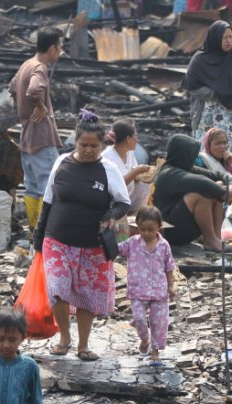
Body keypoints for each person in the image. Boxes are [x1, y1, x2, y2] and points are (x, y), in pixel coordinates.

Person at [33, 109, 131, 361]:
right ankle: (64, 337)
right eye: (84, 145)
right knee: (57, 288)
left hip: (93, 244)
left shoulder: (108, 169)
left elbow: (124, 203)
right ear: (75, 142)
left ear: (102, 145)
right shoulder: (62, 163)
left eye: (94, 146)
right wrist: (38, 236)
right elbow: (48, 200)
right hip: (57, 239)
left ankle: (83, 345)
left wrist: (111, 213)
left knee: (87, 295)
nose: (89, 150)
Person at [183, 21, 232, 175]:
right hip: (210, 117)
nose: (229, 41)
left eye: (231, 37)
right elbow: (192, 86)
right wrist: (217, 93)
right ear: (215, 38)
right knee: (209, 156)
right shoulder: (200, 60)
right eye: (225, 37)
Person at [9, 27, 63, 231]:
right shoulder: (40, 68)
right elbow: (33, 90)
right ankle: (46, 231)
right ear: (51, 49)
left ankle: (34, 231)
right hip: (42, 136)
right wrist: (39, 107)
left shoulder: (26, 64)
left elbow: (13, 87)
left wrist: (23, 108)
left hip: (26, 136)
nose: (60, 52)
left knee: (31, 186)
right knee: (49, 185)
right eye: (59, 48)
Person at [153, 134, 232, 251]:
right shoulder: (169, 173)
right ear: (183, 154)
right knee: (202, 194)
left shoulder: (186, 167)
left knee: (216, 187)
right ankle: (210, 240)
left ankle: (216, 238)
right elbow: (203, 183)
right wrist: (226, 192)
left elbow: (220, 175)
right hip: (169, 231)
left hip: (183, 226)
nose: (194, 159)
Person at [117, 206, 175, 365]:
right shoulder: (132, 243)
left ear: (159, 228)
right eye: (142, 229)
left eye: (151, 230)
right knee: (139, 318)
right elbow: (115, 250)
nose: (146, 233)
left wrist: (171, 286)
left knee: (159, 322)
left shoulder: (164, 245)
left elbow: (169, 267)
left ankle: (155, 351)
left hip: (159, 291)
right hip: (138, 289)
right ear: (137, 227)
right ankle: (145, 340)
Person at [101, 118, 151, 214]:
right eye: (135, 135)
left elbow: (135, 177)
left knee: (145, 184)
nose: (137, 139)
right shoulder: (107, 157)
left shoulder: (130, 153)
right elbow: (115, 186)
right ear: (128, 139)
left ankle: (138, 214)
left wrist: (145, 174)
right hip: (113, 202)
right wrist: (136, 171)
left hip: (128, 195)